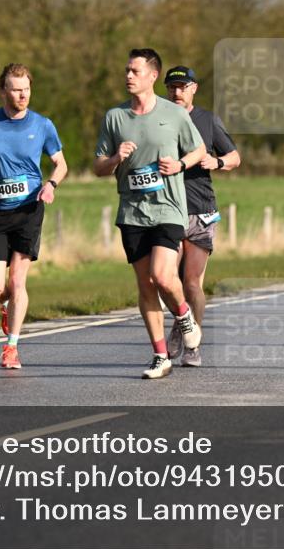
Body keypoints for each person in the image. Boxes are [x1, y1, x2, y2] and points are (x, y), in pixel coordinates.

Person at [94, 48, 205, 380]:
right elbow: (98, 166)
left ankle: (184, 316)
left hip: (169, 208)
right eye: (127, 70)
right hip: (132, 212)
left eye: (135, 71)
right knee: (145, 286)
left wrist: (181, 164)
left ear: (152, 76)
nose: (128, 76)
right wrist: (115, 157)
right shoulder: (115, 118)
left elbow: (198, 149)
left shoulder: (174, 114)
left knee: (162, 276)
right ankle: (160, 356)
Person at [0, 64, 67, 369]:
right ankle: (10, 308)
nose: (22, 94)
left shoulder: (43, 124)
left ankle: (11, 347)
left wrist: (50, 185)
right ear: (3, 91)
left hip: (28, 209)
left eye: (26, 88)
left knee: (17, 279)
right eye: (16, 88)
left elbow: (60, 164)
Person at [163, 66, 241, 366]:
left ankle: (193, 345)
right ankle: (181, 325)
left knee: (192, 282)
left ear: (193, 88)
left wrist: (217, 161)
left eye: (182, 86)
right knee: (168, 280)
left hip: (200, 209)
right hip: (168, 208)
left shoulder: (207, 120)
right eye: (172, 87)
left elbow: (235, 157)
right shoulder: (159, 118)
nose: (176, 92)